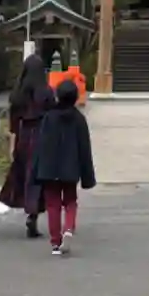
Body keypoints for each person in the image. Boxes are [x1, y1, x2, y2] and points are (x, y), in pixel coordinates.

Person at [32, 77, 96, 256]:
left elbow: (40, 145)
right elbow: (84, 148)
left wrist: (37, 169)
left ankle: (55, 242)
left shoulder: (49, 118)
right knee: (70, 201)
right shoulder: (79, 119)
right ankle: (68, 228)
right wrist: (87, 174)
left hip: (49, 168)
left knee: (52, 204)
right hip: (71, 167)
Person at [0, 52, 55, 238]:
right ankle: (33, 212)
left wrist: (13, 143)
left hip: (23, 135)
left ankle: (25, 205)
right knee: (38, 175)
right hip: (42, 135)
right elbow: (52, 116)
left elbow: (13, 122)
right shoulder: (46, 92)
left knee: (24, 173)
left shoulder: (18, 94)